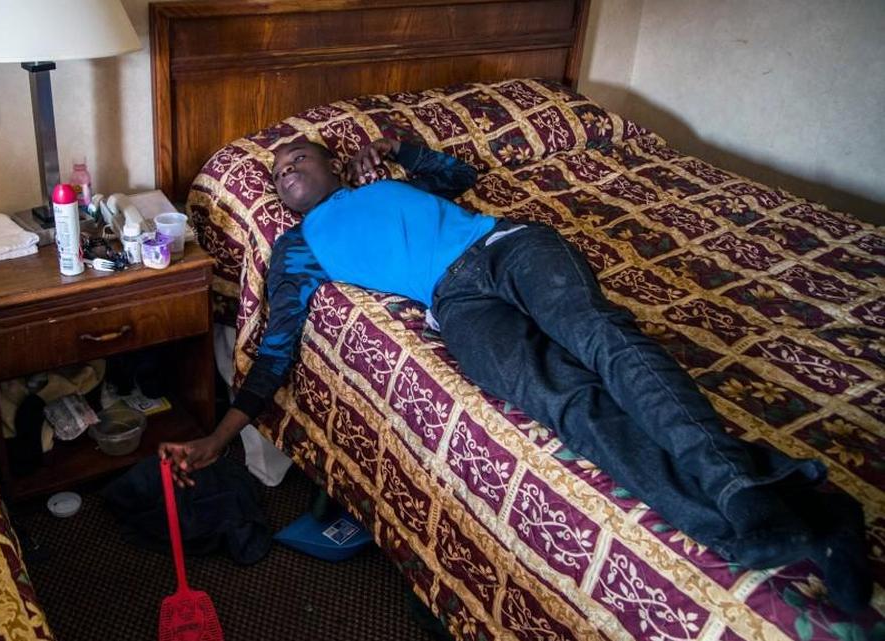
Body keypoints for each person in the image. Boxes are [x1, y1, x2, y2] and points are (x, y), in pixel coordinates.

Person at [159, 136, 871, 612]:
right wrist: (221, 436)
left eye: (299, 159)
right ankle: (800, 517)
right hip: (456, 301)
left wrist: (407, 150)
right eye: (278, 173)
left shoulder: (387, 180)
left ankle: (741, 491)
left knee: (601, 340)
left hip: (507, 246)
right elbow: (276, 351)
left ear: (334, 165)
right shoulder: (297, 249)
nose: (286, 172)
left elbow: (460, 179)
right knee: (561, 401)